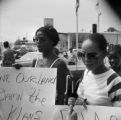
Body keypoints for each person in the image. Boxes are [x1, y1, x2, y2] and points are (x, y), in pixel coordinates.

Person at [69, 33, 121, 107]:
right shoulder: (86, 73)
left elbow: (117, 114)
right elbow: (81, 96)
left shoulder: (115, 82)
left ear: (104, 54)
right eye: (82, 55)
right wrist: (77, 101)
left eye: (92, 55)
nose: (86, 59)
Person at [33, 25, 73, 105]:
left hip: (51, 109)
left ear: (52, 41)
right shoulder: (35, 61)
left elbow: (61, 94)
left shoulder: (59, 64)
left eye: (42, 39)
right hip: (36, 106)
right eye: (36, 39)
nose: (38, 42)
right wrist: (17, 70)